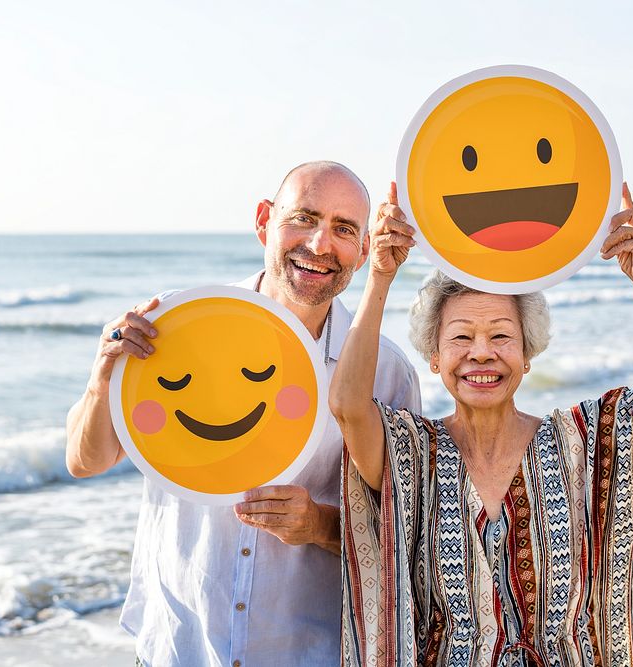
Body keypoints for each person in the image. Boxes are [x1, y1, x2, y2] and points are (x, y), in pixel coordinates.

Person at [330, 182, 633, 666]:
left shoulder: (582, 444)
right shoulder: (413, 456)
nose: (481, 352)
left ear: (527, 354)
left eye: (500, 335)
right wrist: (380, 279)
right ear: (434, 357)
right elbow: (348, 405)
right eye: (461, 337)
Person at [65, 161, 421, 667]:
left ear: (364, 250)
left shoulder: (387, 373)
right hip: (180, 646)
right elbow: (86, 460)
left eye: (344, 229)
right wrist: (103, 377)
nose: (320, 245)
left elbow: (404, 539)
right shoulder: (177, 323)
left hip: (306, 653)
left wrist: (319, 526)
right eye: (304, 218)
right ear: (264, 221)